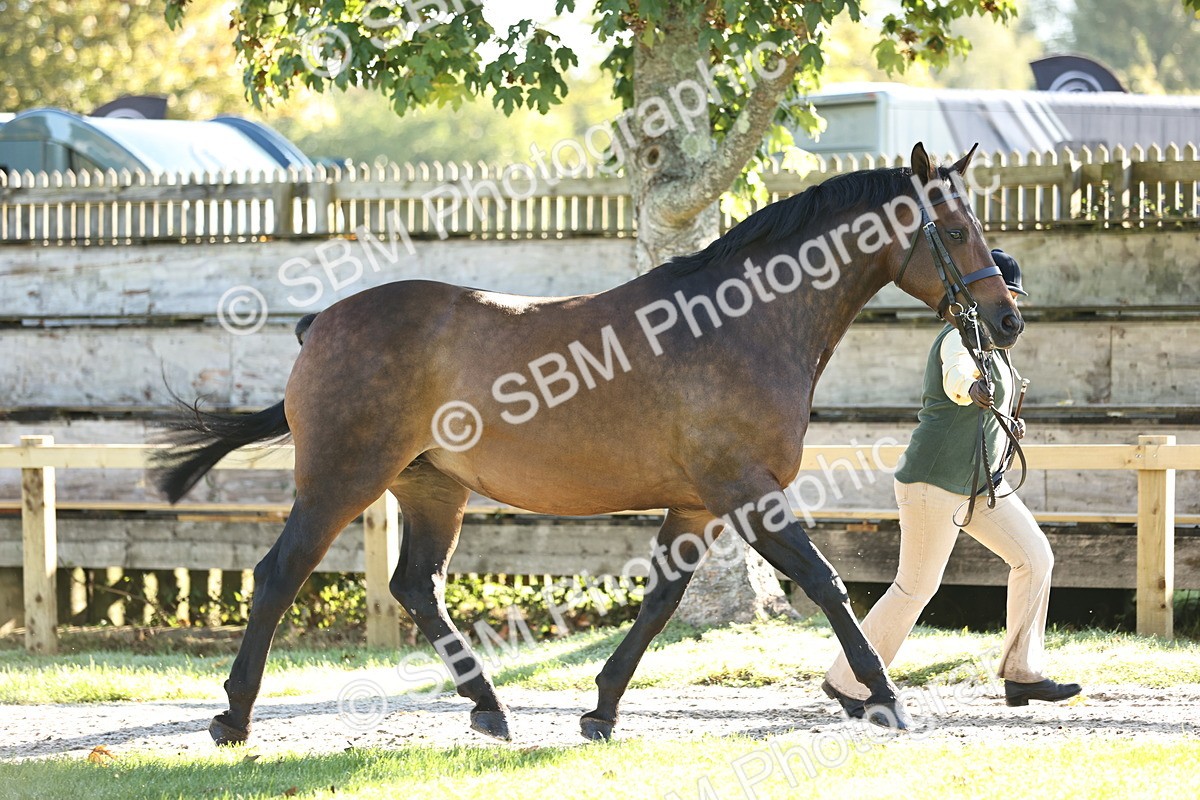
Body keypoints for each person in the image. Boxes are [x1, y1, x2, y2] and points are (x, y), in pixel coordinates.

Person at [822, 249, 1081, 717]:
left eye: (1013, 297)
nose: (1009, 306)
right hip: (934, 483)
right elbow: (959, 377)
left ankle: (1022, 672)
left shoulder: (997, 352)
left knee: (1035, 557)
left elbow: (991, 401)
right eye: (1003, 295)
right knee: (915, 588)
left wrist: (1005, 423)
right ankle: (848, 680)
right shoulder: (957, 341)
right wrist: (973, 391)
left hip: (984, 485)